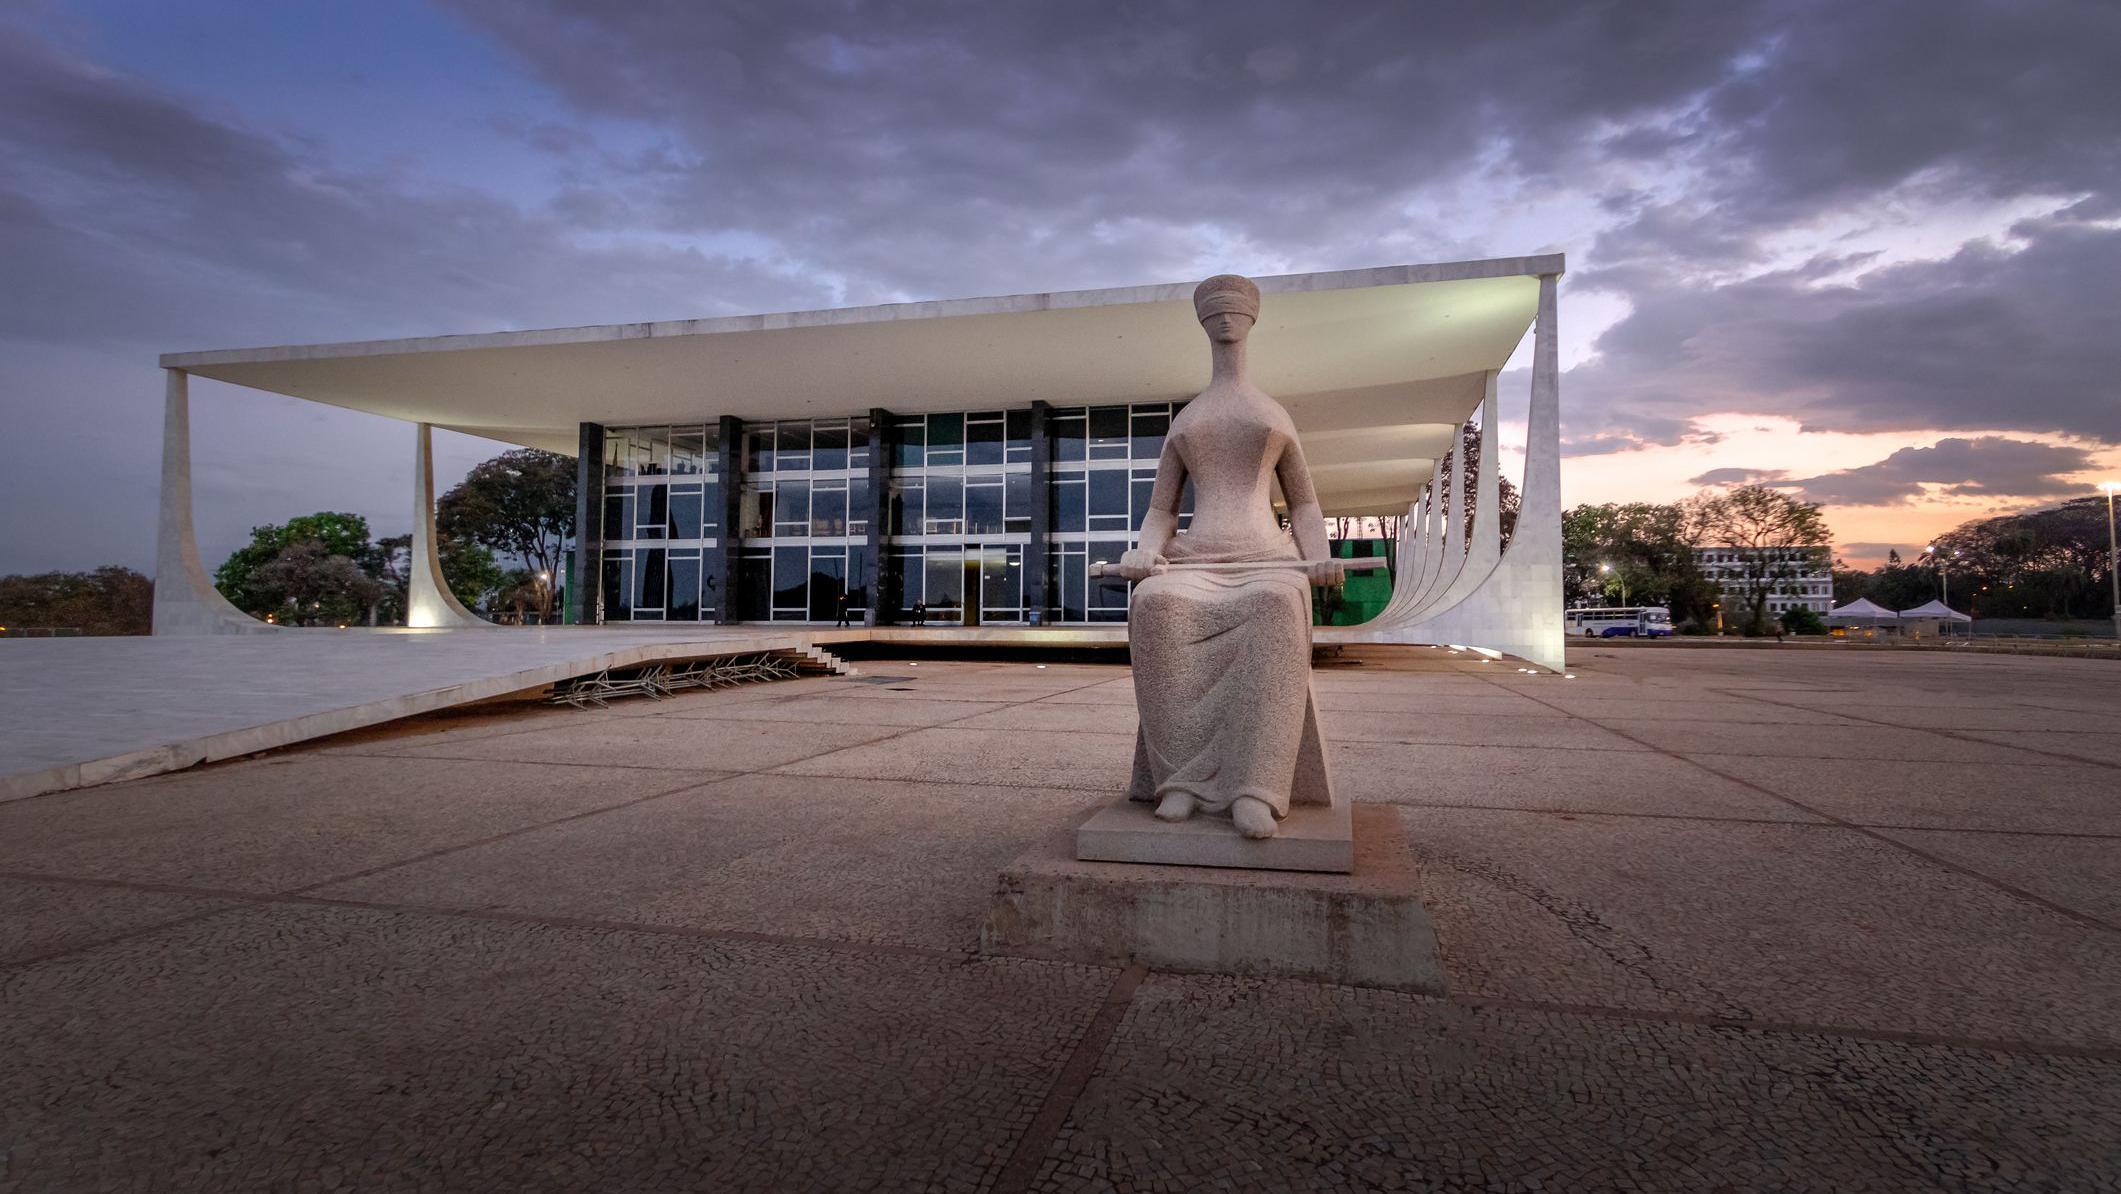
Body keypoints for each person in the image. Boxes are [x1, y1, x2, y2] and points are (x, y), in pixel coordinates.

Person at [1116, 274, 1343, 841]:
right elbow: (1162, 510)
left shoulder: (1272, 413)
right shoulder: (1188, 420)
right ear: (1202, 322)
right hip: (1195, 560)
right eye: (1214, 311)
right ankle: (1182, 781)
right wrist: (1146, 551)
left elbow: (1305, 503)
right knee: (1156, 605)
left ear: (1252, 318)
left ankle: (1256, 788)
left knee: (1275, 604)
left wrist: (1317, 556)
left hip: (1267, 557)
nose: (1224, 319)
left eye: (1234, 310)